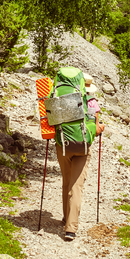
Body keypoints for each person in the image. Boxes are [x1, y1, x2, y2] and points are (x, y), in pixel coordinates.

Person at [55, 72, 105, 241]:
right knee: (76, 186)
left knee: (66, 181)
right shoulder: (91, 102)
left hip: (63, 146)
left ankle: (66, 217)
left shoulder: (61, 98)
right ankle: (71, 228)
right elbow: (96, 129)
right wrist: (101, 128)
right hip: (83, 148)